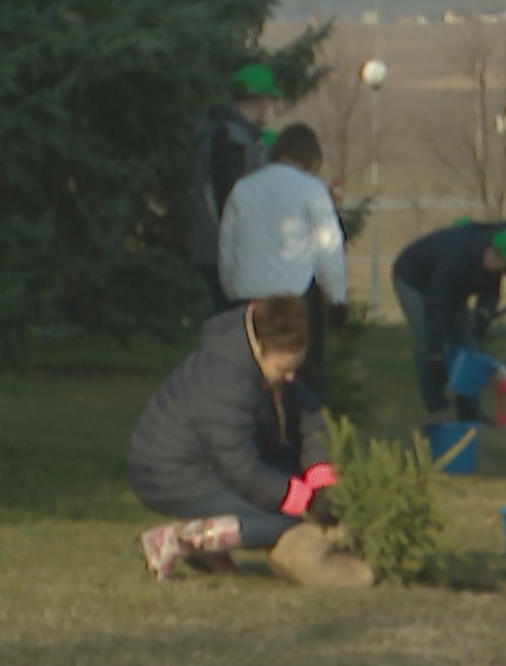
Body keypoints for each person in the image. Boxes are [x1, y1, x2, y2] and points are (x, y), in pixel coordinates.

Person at [127, 295, 338, 581]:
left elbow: (310, 415)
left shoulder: (252, 357)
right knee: (281, 519)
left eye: (295, 369)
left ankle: (210, 547)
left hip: (213, 461)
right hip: (168, 474)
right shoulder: (224, 383)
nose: (291, 378)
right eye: (283, 370)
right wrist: (303, 500)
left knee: (287, 495)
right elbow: (239, 467)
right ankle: (178, 540)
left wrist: (320, 474)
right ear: (260, 349)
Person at [390, 221, 506, 420]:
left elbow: (489, 297)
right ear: (492, 253)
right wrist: (436, 354)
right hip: (413, 282)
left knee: (469, 344)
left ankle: (469, 410)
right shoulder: (454, 259)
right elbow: (437, 308)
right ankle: (437, 406)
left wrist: (481, 321)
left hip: (453, 289)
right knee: (427, 342)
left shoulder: (491, 265)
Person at [218, 122, 348, 399]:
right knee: (303, 382)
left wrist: (230, 290)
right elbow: (328, 248)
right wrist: (337, 297)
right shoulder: (312, 189)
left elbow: (227, 246)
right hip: (295, 298)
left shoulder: (243, 188)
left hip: (247, 298)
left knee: (248, 377)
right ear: (312, 158)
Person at [190, 63, 278, 311]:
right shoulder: (230, 141)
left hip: (217, 249)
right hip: (229, 252)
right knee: (236, 327)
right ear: (261, 100)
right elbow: (232, 199)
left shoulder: (221, 134)